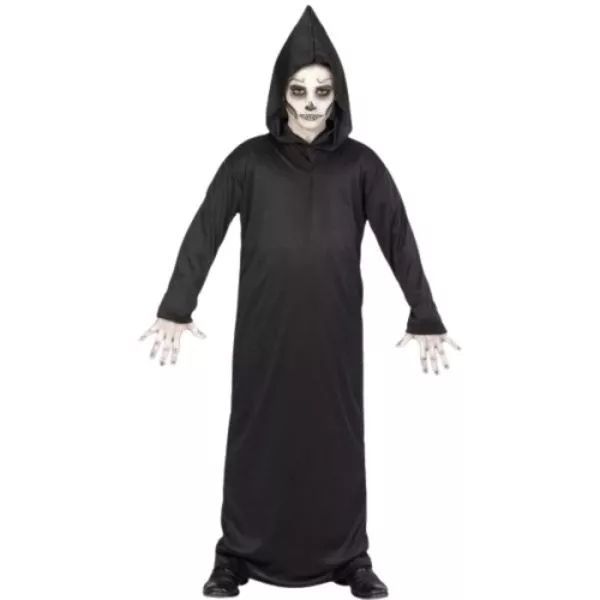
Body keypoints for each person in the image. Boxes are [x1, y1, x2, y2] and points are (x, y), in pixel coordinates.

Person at [140, 5, 460, 598]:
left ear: (337, 94)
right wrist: (176, 306)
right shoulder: (248, 161)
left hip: (333, 334)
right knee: (256, 435)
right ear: (280, 93)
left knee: (337, 438)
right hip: (265, 332)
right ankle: (236, 555)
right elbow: (205, 228)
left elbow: (397, 234)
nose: (311, 102)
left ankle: (350, 557)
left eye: (322, 90)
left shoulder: (362, 165)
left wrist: (425, 312)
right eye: (299, 90)